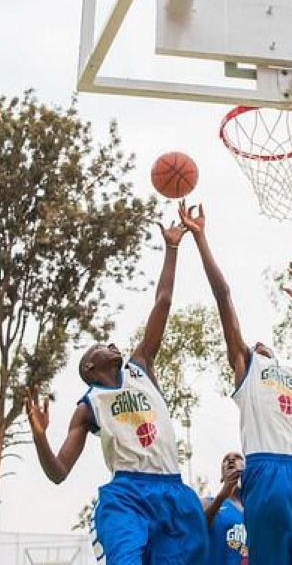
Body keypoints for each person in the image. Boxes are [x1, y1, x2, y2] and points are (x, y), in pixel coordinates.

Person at [23, 219, 206, 565]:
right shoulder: (89, 406)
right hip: (128, 495)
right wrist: (39, 437)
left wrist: (172, 247)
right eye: (100, 346)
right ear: (90, 368)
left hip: (173, 490)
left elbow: (163, 301)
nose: (110, 343)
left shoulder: (141, 365)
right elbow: (59, 472)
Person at [180, 202, 292, 565]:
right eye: (254, 342)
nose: (260, 342)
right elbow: (224, 295)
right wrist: (201, 238)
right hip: (268, 470)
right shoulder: (247, 368)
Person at [202, 451, 247, 565]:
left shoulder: (255, 509)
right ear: (222, 476)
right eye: (226, 459)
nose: (231, 460)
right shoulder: (208, 502)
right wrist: (221, 497)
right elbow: (199, 527)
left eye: (237, 457)